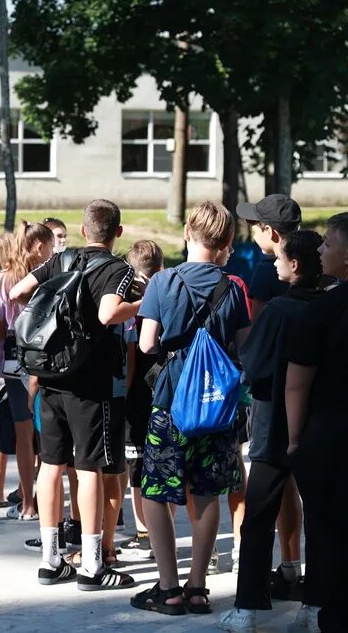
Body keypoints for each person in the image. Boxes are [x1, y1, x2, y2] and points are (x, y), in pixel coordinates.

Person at [10, 199, 141, 590]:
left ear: (83, 231)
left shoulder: (60, 261)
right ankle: (92, 565)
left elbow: (18, 291)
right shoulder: (119, 269)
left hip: (50, 378)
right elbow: (107, 314)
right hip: (90, 383)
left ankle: (51, 560)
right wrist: (141, 303)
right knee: (89, 469)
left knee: (50, 466)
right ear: (117, 233)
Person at [130, 202, 251, 616]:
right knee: (207, 492)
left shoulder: (163, 281)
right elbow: (245, 345)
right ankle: (199, 587)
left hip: (170, 402)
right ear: (225, 244)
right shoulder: (233, 288)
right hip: (215, 408)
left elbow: (147, 343)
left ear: (186, 232)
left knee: (156, 492)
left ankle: (169, 588)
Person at [217, 230, 325, 632]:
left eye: (280, 258)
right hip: (322, 428)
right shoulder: (332, 307)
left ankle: (248, 607)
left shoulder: (279, 310)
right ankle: (316, 605)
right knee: (321, 520)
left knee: (258, 517)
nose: (274, 263)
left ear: (295, 264)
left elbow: (253, 362)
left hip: (274, 425)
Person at [285, 213, 348, 633]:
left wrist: (293, 441)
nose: (321, 250)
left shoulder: (325, 310)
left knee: (329, 535)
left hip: (330, 437)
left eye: (328, 243)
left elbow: (296, 384)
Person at [0, 222, 53, 520]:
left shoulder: (3, 281)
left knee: (24, 435)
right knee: (46, 433)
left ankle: (27, 501)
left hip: (13, 359)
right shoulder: (46, 278)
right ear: (39, 247)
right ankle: (41, 499)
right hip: (45, 357)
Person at [118, 240, 165, 561]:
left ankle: (144, 532)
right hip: (164, 389)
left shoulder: (127, 306)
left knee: (137, 467)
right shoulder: (167, 296)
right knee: (160, 462)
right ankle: (162, 529)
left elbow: (131, 355)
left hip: (135, 393)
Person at [237, 194, 302, 318]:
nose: (254, 233)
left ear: (269, 231)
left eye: (254, 227)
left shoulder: (266, 270)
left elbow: (257, 325)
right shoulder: (312, 263)